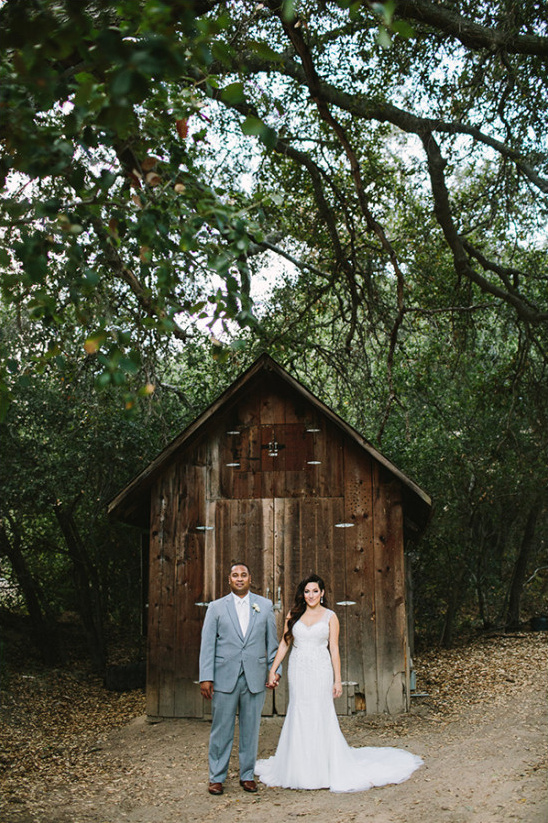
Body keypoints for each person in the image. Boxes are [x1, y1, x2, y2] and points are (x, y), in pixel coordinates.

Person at [255, 573, 423, 792]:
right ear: (302, 594)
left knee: (319, 712)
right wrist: (273, 669)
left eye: (315, 591)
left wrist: (337, 680)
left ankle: (323, 766)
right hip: (298, 669)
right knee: (299, 710)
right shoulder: (294, 614)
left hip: (320, 668)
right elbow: (284, 644)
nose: (311, 595)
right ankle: (298, 765)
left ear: (322, 593)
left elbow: (333, 648)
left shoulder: (330, 616)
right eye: (307, 591)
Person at [199, 562, 280, 795]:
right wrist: (206, 676)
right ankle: (216, 777)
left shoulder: (264, 606)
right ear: (229, 579)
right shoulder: (216, 607)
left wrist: (275, 671)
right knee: (221, 728)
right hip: (224, 677)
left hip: (254, 677)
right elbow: (207, 644)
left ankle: (247, 775)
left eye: (244, 574)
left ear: (250, 578)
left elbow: (272, 645)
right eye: (235, 575)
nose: (240, 578)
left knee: (250, 728)